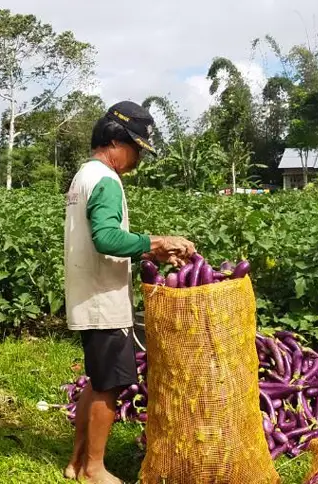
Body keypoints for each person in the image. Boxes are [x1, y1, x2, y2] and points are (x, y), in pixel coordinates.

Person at [63, 101, 195, 483]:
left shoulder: (83, 176)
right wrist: (154, 243)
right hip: (103, 300)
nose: (138, 157)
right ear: (117, 141)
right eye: (137, 148)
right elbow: (105, 237)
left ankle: (77, 460)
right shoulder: (105, 179)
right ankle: (94, 469)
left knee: (98, 379)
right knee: (113, 383)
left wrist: (150, 245)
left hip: (89, 294)